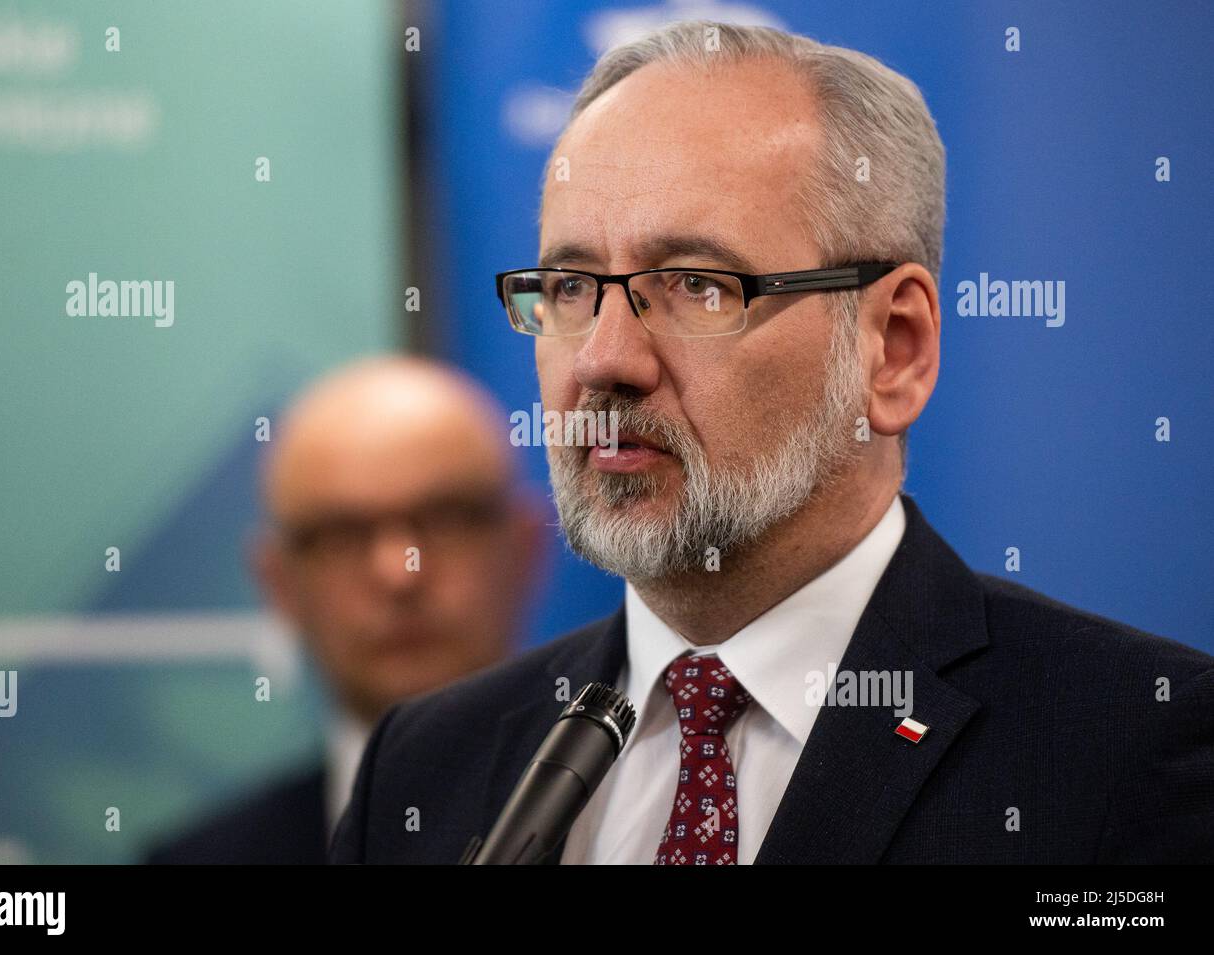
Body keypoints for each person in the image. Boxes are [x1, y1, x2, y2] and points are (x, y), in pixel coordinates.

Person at [329, 21, 1214, 864]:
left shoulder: (1131, 750)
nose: (604, 359)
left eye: (696, 286)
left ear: (893, 348)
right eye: (567, 286)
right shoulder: (422, 767)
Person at [148, 356, 543, 863]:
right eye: (341, 536)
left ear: (526, 549)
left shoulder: (644, 825)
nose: (399, 574)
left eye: (444, 519)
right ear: (280, 584)